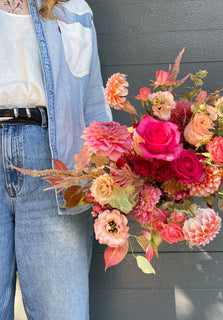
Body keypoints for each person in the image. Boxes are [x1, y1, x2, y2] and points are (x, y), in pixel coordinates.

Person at [0, 0, 112, 319]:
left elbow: (92, 102)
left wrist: (110, 178)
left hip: (56, 161)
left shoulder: (73, 8)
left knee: (60, 311)